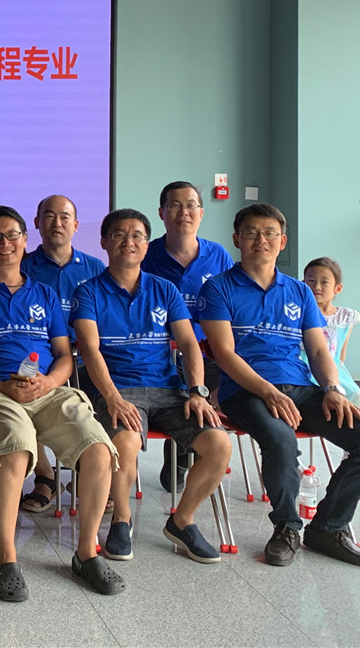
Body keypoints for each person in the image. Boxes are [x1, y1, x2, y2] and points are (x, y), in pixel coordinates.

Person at [199, 203, 360, 568]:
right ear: (237, 239)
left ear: (282, 241)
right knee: (281, 438)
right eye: (252, 233)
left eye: (270, 233)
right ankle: (287, 527)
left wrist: (332, 389)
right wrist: (268, 392)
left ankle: (328, 527)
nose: (261, 240)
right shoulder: (218, 288)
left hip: (301, 388)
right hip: (246, 392)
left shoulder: (299, 292)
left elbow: (318, 350)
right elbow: (224, 354)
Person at [0, 206, 122, 601]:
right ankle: (6, 557)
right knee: (16, 451)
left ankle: (87, 553)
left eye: (12, 235)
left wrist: (49, 381)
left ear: (25, 240)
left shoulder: (44, 294)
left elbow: (65, 354)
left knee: (98, 450)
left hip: (48, 390)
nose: (5, 243)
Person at [72, 209, 230, 564]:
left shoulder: (165, 289)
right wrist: (112, 398)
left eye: (137, 236)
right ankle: (122, 518)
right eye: (119, 235)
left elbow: (188, 343)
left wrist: (197, 392)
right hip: (119, 390)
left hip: (169, 390)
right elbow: (90, 350)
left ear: (147, 244)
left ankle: (182, 521)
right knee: (125, 442)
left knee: (219, 444)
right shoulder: (89, 292)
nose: (128, 242)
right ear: (104, 242)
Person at [141, 180, 235, 489]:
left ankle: (185, 453)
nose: (184, 212)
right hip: (158, 355)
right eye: (175, 206)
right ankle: (183, 450)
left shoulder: (218, 256)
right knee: (175, 389)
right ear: (161, 213)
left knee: (213, 385)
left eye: (191, 205)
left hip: (208, 353)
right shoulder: (146, 254)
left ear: (202, 213)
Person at [18, 194, 105, 514]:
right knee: (27, 396)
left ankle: (88, 475)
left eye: (65, 217)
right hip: (37, 358)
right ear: (37, 223)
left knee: (101, 402)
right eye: (49, 216)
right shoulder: (22, 266)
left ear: (76, 225)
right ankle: (45, 476)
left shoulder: (94, 268)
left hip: (84, 359)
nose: (57, 223)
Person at [302, 257, 360, 410]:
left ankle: (353, 424)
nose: (317, 286)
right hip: (303, 367)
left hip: (333, 369)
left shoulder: (345, 317)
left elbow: (341, 353)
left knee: (355, 394)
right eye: (311, 281)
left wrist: (336, 372)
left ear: (337, 288)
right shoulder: (299, 312)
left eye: (324, 282)